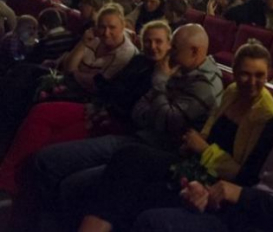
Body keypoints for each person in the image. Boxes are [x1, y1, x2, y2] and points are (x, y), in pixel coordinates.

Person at [24, 25, 223, 231]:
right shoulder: (180, 67)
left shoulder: (202, 83)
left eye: (175, 47)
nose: (170, 51)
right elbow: (140, 109)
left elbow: (167, 121)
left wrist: (160, 83)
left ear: (195, 51)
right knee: (48, 161)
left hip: (152, 149)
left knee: (69, 183)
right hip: (137, 136)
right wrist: (159, 105)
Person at [131, 53, 273, 232]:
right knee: (147, 197)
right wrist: (210, 194)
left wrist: (240, 196)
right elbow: (247, 179)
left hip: (267, 224)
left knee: (153, 223)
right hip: (242, 212)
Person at [0, 21, 171, 198]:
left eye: (158, 42)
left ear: (169, 44)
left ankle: (20, 188)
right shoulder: (139, 61)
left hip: (117, 123)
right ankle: (6, 177)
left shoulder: (167, 73)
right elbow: (113, 87)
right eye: (149, 41)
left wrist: (106, 109)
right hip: (99, 106)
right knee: (41, 112)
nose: (153, 46)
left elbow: (145, 111)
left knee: (54, 140)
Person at [59, 4, 138, 93]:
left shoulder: (126, 52)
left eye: (112, 27)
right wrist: (83, 43)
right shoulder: (94, 38)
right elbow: (68, 67)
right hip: (70, 86)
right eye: (102, 27)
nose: (106, 33)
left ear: (123, 26)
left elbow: (97, 85)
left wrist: (74, 74)